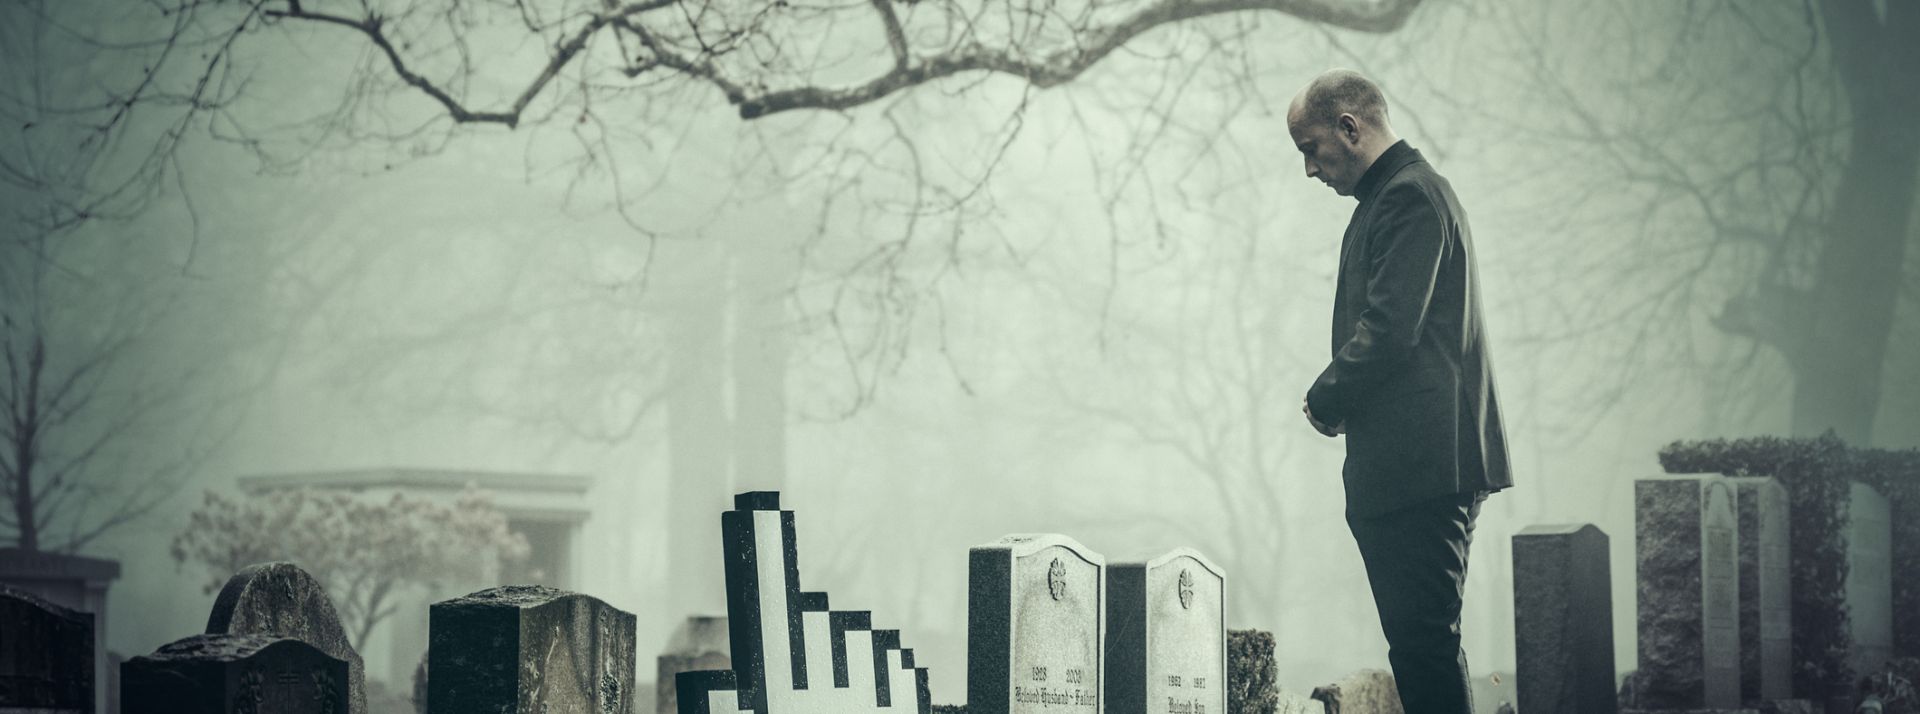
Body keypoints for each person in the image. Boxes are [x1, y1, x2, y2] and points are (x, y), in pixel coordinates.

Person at [1288, 68, 1514, 714]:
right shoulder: (1396, 198)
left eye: (1311, 148)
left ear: (1350, 128)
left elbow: (1391, 330)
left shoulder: (1410, 197)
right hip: (1417, 466)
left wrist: (1324, 398)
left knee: (1423, 647)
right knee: (1422, 645)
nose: (1310, 169)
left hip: (1424, 468)